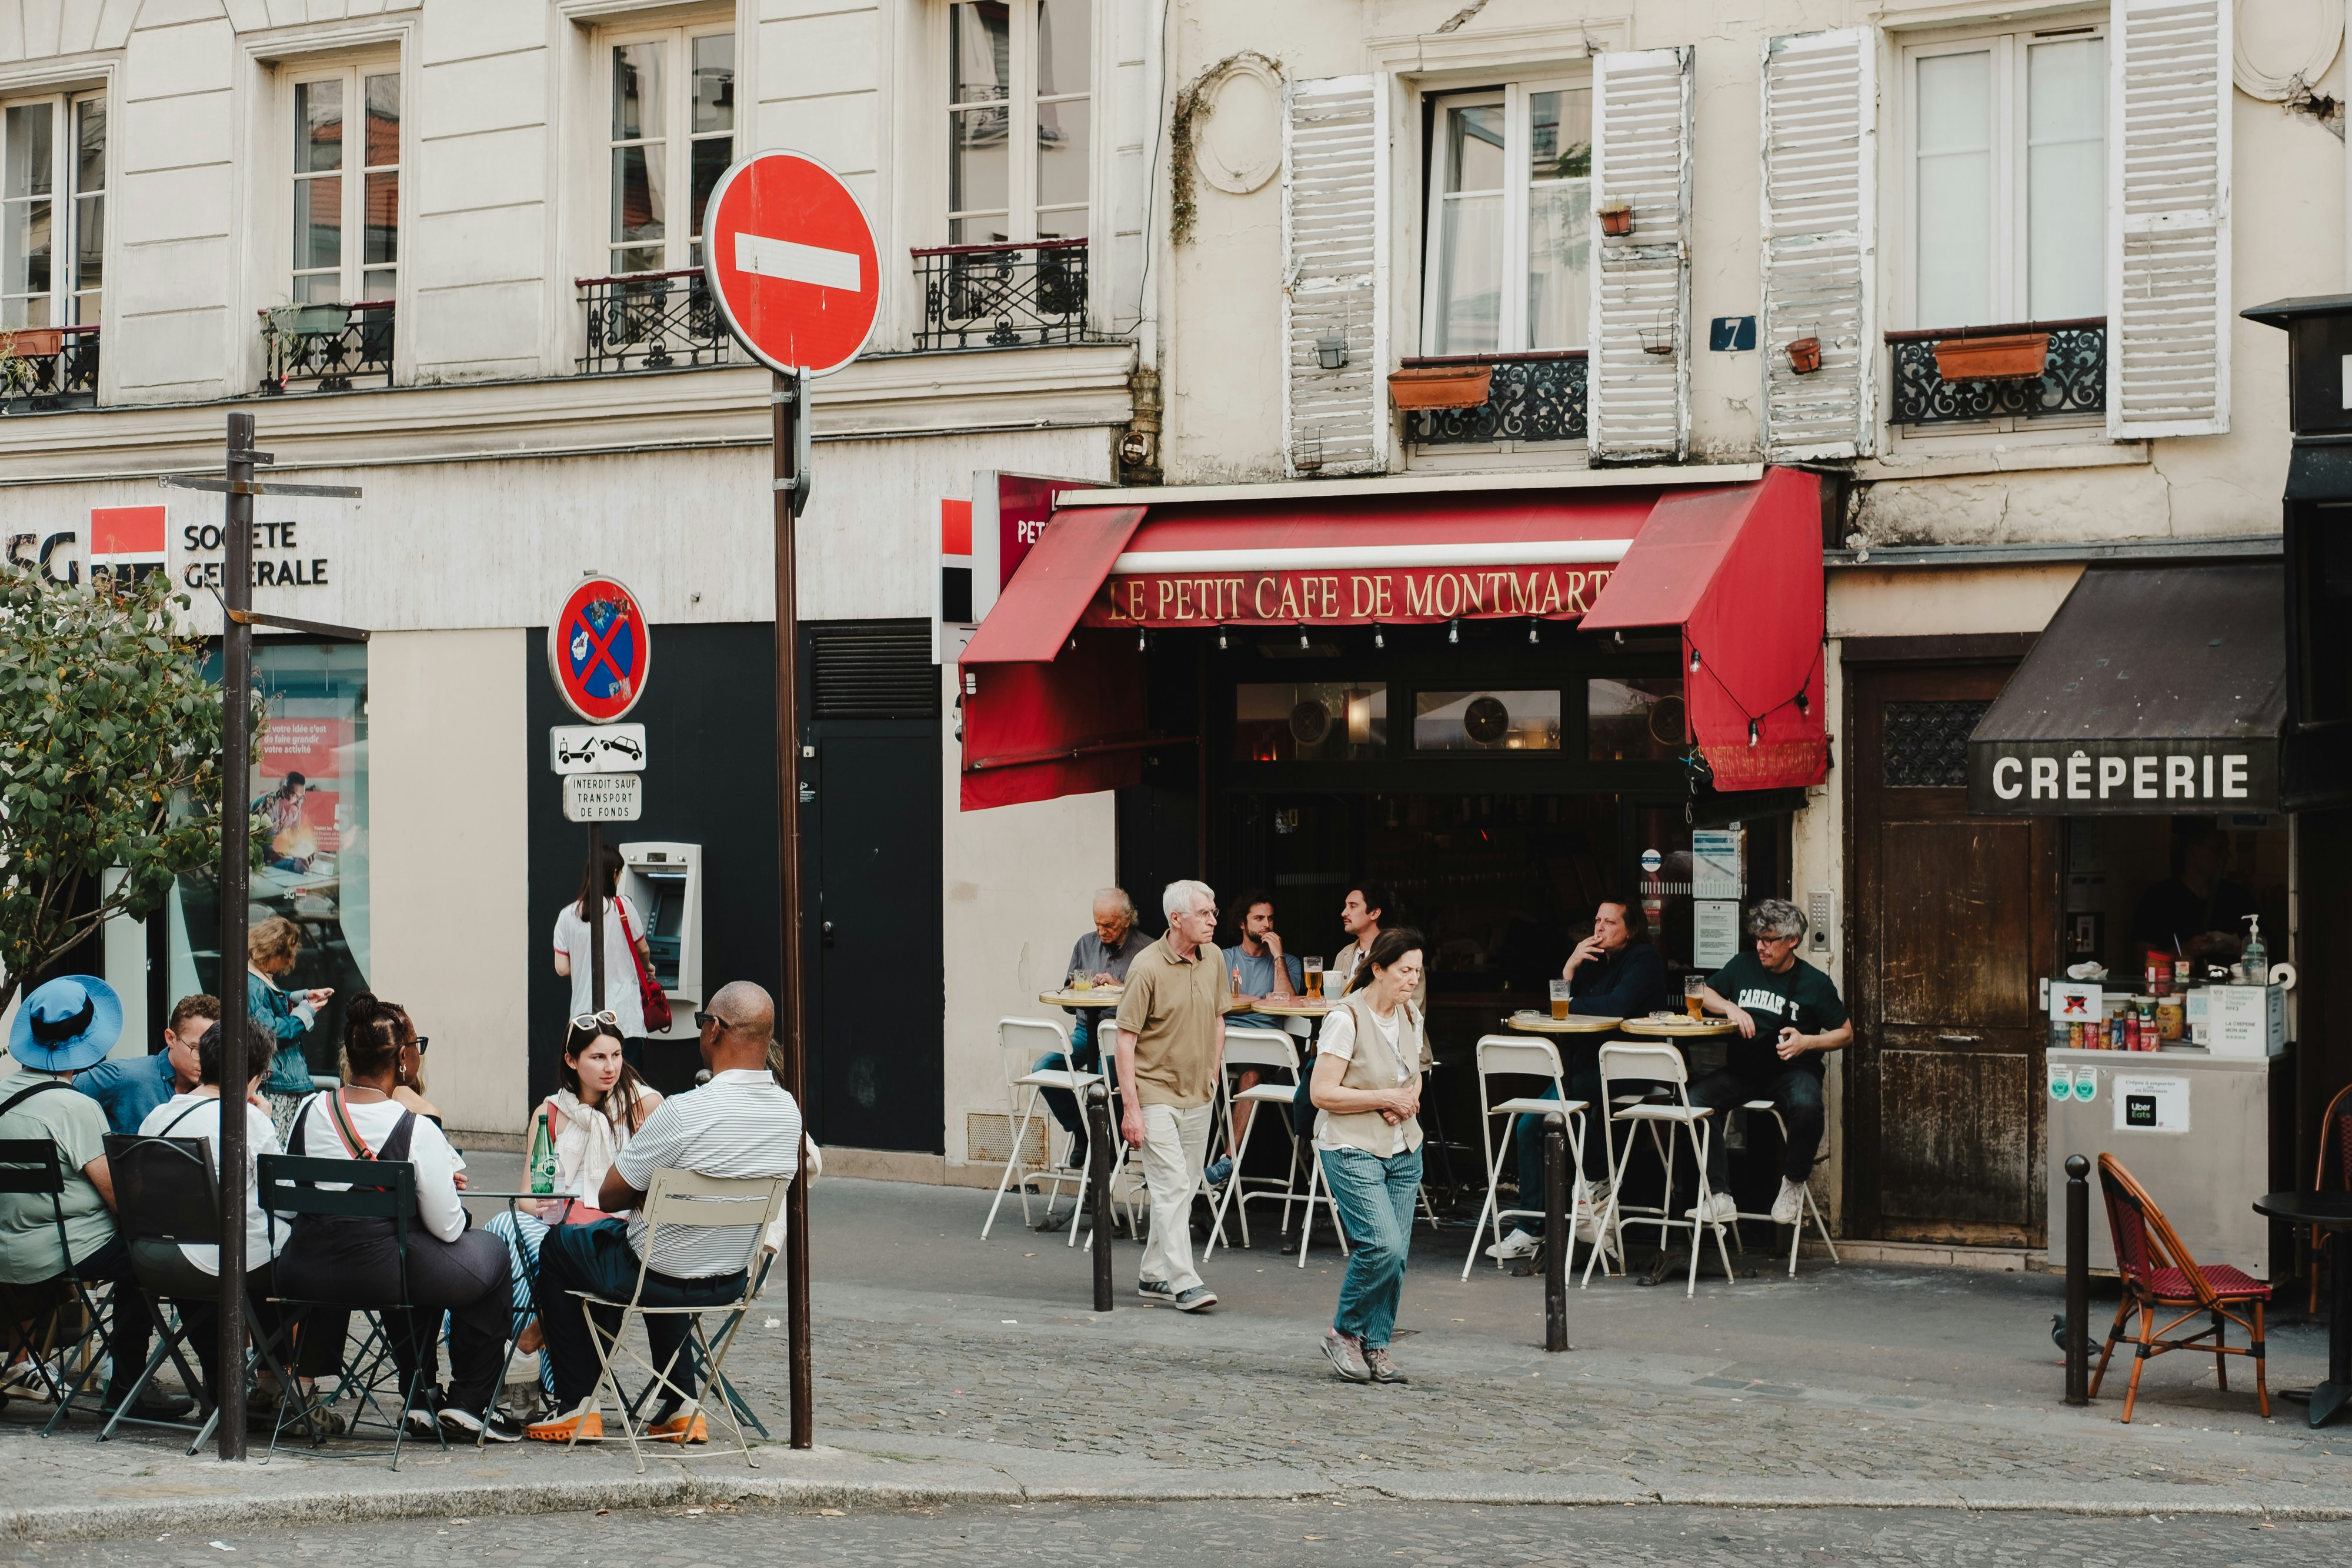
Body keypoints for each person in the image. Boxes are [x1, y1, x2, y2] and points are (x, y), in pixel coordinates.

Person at [526, 981, 803, 1444]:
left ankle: (577, 1404)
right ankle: (681, 1405)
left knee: (561, 1246)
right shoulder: (788, 1112)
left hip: (657, 1272)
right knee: (667, 1248)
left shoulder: (683, 1111)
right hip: (731, 1276)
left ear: (713, 1030)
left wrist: (648, 1193)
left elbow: (611, 1195)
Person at [272, 993, 521, 1442]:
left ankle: (422, 1396)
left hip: (303, 1272)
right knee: (490, 1253)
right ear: (404, 1060)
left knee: (417, 1254)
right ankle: (469, 1402)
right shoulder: (415, 1127)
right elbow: (448, 1227)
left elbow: (289, 1207)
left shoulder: (308, 1112)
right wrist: (437, 1187)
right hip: (384, 1275)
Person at [133, 1019, 336, 1431]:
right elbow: (284, 1201)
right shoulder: (247, 1119)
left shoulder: (158, 1116)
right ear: (256, 1075)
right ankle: (286, 1386)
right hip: (215, 1264)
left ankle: (250, 1387)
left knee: (265, 1250)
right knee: (314, 1258)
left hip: (153, 1260)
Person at [0, 978, 184, 1423]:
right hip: (61, 1252)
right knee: (149, 1261)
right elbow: (119, 1197)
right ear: (88, 1041)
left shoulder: (3, 1094)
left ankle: (19, 1366)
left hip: (7, 1249)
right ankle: (126, 1387)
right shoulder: (74, 1106)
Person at [482, 1015, 663, 1400]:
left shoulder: (644, 1106)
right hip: (556, 1221)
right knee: (503, 1229)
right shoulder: (549, 1113)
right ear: (571, 1061)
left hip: (616, 1227)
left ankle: (529, 1354)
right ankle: (509, 1353)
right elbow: (529, 1193)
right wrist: (543, 1205)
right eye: (597, 1057)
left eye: (616, 1054)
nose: (610, 1066)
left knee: (562, 1254)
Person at [1490, 898, 1667, 1262]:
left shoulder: (1644, 960)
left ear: (1631, 930)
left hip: (1629, 1069)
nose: (1599, 930)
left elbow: (1615, 1007)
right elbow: (1562, 1007)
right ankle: (1534, 1226)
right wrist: (1569, 968)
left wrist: (1571, 1005)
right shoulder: (1589, 960)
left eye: (1610, 923)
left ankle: (1593, 1188)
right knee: (1528, 1126)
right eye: (1597, 921)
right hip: (1584, 1068)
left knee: (1571, 1114)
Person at [1310, 928, 1432, 1385]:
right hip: (1351, 1146)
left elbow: (1414, 1073)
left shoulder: (1410, 1013)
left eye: (1417, 972)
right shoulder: (1346, 1018)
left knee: (1396, 1256)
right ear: (1378, 969)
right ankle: (1343, 1332)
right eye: (1404, 971)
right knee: (1380, 1244)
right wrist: (1383, 1096)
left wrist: (1406, 1097)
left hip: (1404, 1147)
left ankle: (1375, 1344)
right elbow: (1321, 1092)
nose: (1411, 981)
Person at [1689, 899, 1852, 1227]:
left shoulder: (1815, 983)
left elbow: (1846, 1034)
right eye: (1758, 939)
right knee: (1695, 1100)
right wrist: (1730, 1009)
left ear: (1792, 941)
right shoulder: (1742, 966)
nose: (1761, 947)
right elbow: (1700, 991)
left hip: (1793, 1070)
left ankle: (1793, 1185)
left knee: (1807, 1108)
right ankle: (1718, 1196)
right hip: (1745, 1069)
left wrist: (1808, 1041)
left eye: (1769, 940)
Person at [1111, 880, 1229, 1314]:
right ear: (1176, 919)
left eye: (1213, 912)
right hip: (1154, 1090)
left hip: (1198, 1092)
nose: (1213, 920)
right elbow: (1124, 1041)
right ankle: (1184, 1281)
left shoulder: (1213, 957)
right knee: (1172, 1186)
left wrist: (1212, 1073)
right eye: (1204, 913)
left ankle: (1152, 1274)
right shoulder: (1146, 967)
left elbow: (1219, 1019)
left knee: (1183, 1186)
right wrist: (1131, 1109)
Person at [1035, 889, 1152, 1170]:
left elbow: (1154, 1003)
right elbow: (1067, 998)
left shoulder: (1148, 950)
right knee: (1044, 1069)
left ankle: (1111, 1142)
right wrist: (1074, 991)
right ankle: (1084, 1133)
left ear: (1127, 920)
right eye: (1097, 923)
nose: (1101, 931)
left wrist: (1120, 986)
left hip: (1119, 1034)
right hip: (1086, 1030)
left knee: (1102, 1076)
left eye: (1108, 925)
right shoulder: (1085, 945)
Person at [1203, 891, 1302, 1189]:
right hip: (1226, 1040)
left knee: (1251, 1076)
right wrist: (1250, 999)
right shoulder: (1224, 957)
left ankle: (1227, 1160)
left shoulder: (1288, 962)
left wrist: (1279, 957)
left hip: (1267, 1045)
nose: (1267, 925)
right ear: (1243, 924)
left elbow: (1286, 1003)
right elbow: (1208, 999)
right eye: (1259, 919)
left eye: (1270, 918)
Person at [552, 845, 654, 1072]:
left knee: (590, 1091)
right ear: (615, 874)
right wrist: (647, 967)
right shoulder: (623, 907)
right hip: (625, 1018)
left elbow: (561, 968)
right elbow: (643, 950)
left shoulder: (567, 915)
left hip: (584, 1019)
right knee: (628, 1089)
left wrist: (583, 964)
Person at [76, 993, 216, 1135]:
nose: (207, 1059)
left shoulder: (218, 1088)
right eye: (197, 1048)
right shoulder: (124, 1075)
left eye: (215, 1051)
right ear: (171, 1039)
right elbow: (61, 1097)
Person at [248, 916, 331, 1140]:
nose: (288, 963)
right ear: (273, 952)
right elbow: (269, 1031)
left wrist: (303, 996)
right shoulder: (252, 983)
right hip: (278, 1086)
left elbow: (272, 999)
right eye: (286, 956)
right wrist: (305, 1013)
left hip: (281, 1083)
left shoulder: (256, 978)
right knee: (281, 1148)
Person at [2131, 819, 2257, 966]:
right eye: (2217, 849)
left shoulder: (2238, 898)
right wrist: (2187, 949)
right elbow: (2142, 961)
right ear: (2193, 852)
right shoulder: (2158, 898)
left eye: (2226, 849)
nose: (2226, 856)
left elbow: (2265, 950)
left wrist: (2248, 950)